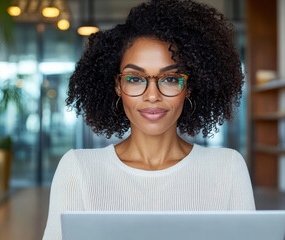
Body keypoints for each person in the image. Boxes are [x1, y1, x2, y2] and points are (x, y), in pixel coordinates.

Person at [42, 0, 255, 239]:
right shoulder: (78, 169)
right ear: (118, 86)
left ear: (190, 87)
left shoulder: (227, 168)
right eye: (135, 79)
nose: (152, 95)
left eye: (170, 79)